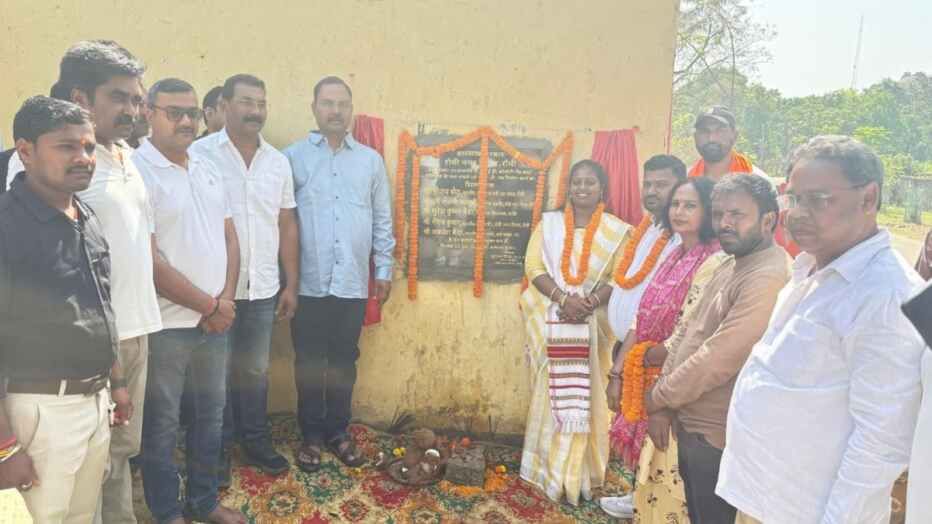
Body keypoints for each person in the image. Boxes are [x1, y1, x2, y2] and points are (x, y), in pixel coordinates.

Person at [717, 136, 925, 524]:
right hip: (765, 498)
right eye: (794, 198)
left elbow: (880, 441)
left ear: (868, 199)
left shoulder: (885, 294)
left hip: (807, 512)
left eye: (819, 199)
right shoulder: (811, 268)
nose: (797, 213)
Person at [44, 40, 164, 524]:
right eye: (119, 97)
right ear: (81, 99)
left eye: (137, 99)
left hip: (137, 329)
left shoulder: (124, 155)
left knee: (119, 453)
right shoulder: (54, 164)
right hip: (90, 341)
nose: (132, 110)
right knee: (86, 461)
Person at [0, 96, 130, 523]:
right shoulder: (8, 228)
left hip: (95, 404)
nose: (84, 158)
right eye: (66, 146)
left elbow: (101, 305)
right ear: (25, 151)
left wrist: (117, 383)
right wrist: (5, 448)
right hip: (38, 413)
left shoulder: (84, 215)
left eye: (90, 147)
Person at [636, 174, 790, 523]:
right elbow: (687, 331)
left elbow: (718, 357)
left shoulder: (767, 275)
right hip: (692, 420)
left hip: (718, 432)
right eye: (719, 214)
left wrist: (658, 398)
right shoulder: (730, 262)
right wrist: (664, 402)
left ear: (768, 220)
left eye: (737, 215)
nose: (724, 223)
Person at [134, 78, 245, 524]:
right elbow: (151, 261)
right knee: (160, 426)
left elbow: (231, 239)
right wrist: (209, 305)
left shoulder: (206, 163)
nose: (185, 121)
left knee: (211, 419)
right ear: (149, 113)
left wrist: (227, 301)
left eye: (192, 113)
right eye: (173, 112)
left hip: (215, 322)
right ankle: (166, 513)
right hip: (168, 326)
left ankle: (203, 503)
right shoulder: (137, 171)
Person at [190, 74, 298, 483]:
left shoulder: (278, 162)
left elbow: (287, 224)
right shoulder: (200, 155)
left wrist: (292, 283)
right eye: (247, 102)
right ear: (225, 104)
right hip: (216, 293)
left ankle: (255, 442)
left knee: (254, 372)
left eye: (262, 103)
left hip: (265, 289)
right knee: (212, 377)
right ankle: (216, 450)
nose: (256, 111)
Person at [283, 76, 394, 472]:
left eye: (342, 104)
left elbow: (382, 217)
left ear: (351, 110)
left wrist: (383, 268)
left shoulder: (370, 161)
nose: (335, 111)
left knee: (345, 360)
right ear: (314, 108)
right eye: (328, 103)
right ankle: (311, 434)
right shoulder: (292, 158)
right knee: (309, 361)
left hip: (350, 281)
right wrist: (287, 282)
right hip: (307, 283)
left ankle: (337, 432)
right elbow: (282, 221)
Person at [602, 177, 723, 521]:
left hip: (676, 376)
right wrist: (621, 371)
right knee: (649, 461)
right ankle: (640, 502)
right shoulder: (674, 253)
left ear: (708, 212)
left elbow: (694, 330)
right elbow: (643, 315)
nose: (679, 212)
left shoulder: (713, 261)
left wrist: (646, 361)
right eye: (675, 205)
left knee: (671, 470)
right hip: (647, 366)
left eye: (690, 205)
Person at [519, 159, 630, 505]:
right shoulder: (549, 224)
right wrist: (563, 299)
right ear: (568, 188)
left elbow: (620, 276)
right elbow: (533, 266)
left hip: (593, 324)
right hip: (551, 322)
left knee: (590, 396)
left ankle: (584, 476)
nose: (582, 188)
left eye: (590, 183)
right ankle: (547, 471)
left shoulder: (616, 231)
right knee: (550, 395)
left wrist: (589, 301)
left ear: (602, 190)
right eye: (577, 182)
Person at [689, 105, 800, 258]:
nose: (711, 138)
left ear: (734, 135)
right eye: (705, 131)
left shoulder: (758, 182)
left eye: (720, 130)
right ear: (695, 136)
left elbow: (775, 239)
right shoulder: (685, 181)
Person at [606, 155, 686, 345]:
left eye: (661, 185)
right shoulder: (646, 228)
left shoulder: (682, 236)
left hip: (651, 351)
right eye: (647, 184)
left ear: (681, 187)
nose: (651, 191)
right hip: (625, 344)